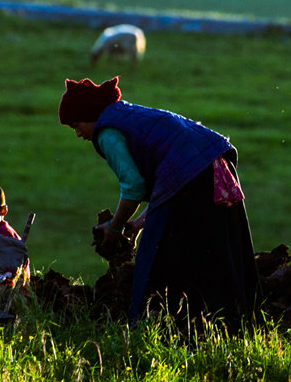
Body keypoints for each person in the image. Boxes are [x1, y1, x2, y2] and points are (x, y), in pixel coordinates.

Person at [58, 76, 259, 330]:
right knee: (218, 255)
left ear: (90, 115)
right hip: (214, 165)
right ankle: (232, 325)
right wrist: (139, 224)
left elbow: (133, 187)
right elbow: (171, 180)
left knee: (158, 261)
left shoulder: (107, 131)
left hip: (198, 178)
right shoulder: (126, 114)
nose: (77, 133)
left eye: (77, 124)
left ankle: (154, 329)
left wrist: (115, 227)